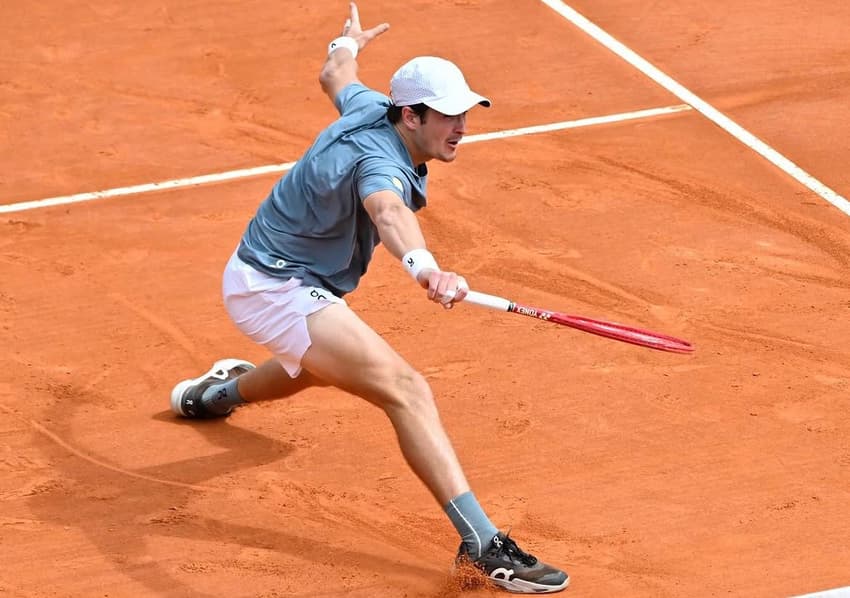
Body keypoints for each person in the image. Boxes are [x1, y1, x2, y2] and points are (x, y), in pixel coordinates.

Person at [170, 2, 569, 594]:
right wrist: (425, 268)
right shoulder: (378, 160)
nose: (461, 127)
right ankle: (482, 545)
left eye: (465, 114)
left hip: (282, 274)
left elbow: (335, 74)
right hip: (272, 285)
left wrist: (347, 42)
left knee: (315, 369)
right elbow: (387, 210)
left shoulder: (370, 107)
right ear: (410, 115)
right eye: (449, 117)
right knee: (405, 389)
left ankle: (213, 396)